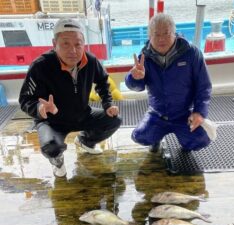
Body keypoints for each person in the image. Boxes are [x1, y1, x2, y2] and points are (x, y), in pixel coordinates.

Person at [19, 18, 121, 177]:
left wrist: (108, 105)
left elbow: (102, 81)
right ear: (54, 43)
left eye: (78, 44)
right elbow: (25, 99)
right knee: (51, 147)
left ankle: (85, 141)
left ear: (83, 43)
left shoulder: (91, 61)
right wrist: (39, 109)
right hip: (52, 121)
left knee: (115, 120)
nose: (73, 50)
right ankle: (57, 161)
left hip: (82, 114)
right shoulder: (40, 66)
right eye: (65, 43)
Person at [125, 13, 216, 153]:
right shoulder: (144, 57)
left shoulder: (192, 53)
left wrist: (199, 112)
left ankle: (186, 143)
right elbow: (136, 87)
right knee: (139, 136)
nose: (161, 39)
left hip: (184, 114)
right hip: (157, 114)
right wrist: (134, 78)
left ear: (174, 33)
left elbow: (204, 87)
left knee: (200, 140)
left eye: (166, 34)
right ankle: (155, 139)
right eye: (156, 34)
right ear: (150, 36)